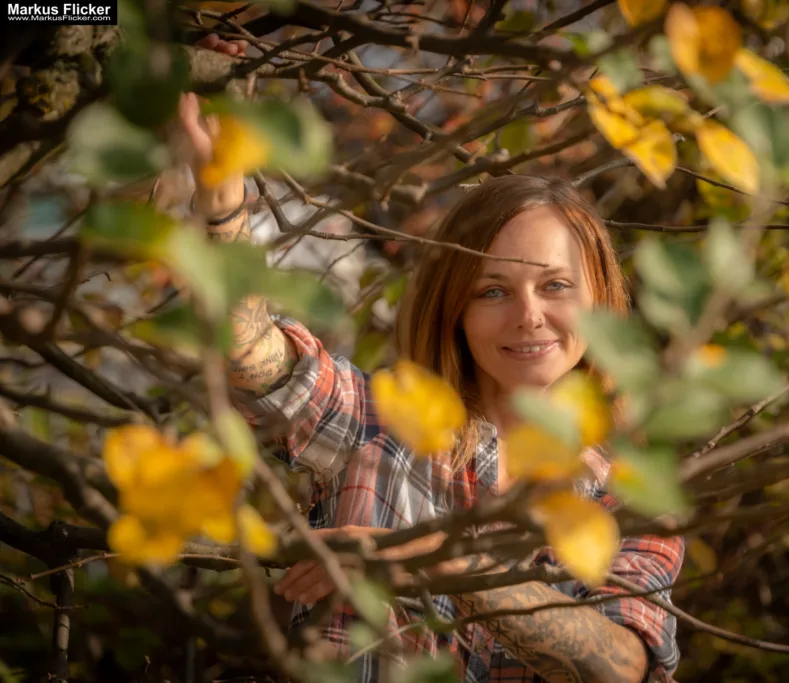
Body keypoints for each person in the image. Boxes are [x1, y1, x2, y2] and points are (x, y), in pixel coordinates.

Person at [175, 41, 684, 683]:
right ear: (455, 310)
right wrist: (221, 205)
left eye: (555, 286)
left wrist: (432, 559)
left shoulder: (628, 497)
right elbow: (253, 358)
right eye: (493, 291)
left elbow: (622, 668)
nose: (528, 315)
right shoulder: (381, 425)